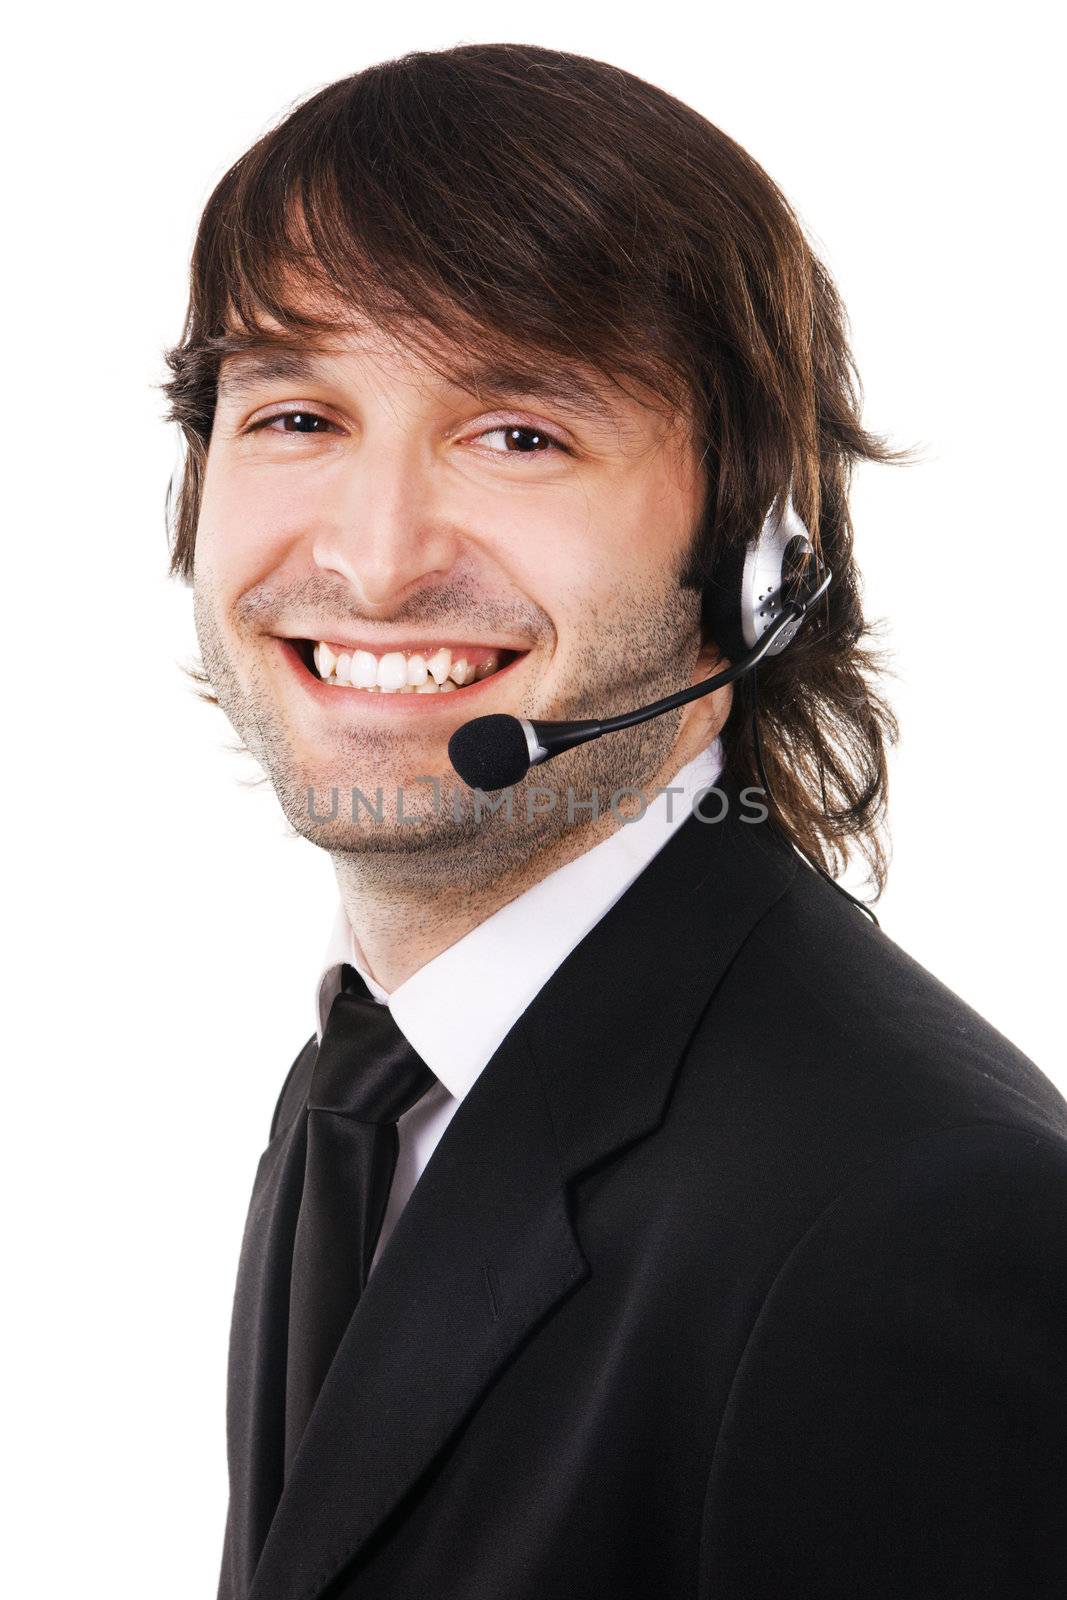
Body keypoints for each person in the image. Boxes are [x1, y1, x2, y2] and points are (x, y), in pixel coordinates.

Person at [163, 42, 1067, 1600]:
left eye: (518, 431)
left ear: (759, 564)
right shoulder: (376, 1080)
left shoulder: (917, 1228)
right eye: (297, 416)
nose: (373, 564)